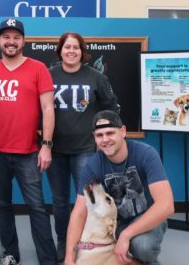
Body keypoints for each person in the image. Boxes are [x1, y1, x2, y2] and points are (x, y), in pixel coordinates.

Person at [0, 18, 57, 265]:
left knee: (36, 207)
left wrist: (46, 145)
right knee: (2, 205)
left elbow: (48, 109)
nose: (11, 41)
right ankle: (10, 253)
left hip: (28, 151)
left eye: (16, 37)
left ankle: (48, 259)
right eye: (6, 37)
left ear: (23, 41)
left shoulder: (38, 68)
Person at [46, 32, 120, 262]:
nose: (71, 51)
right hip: (54, 150)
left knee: (88, 201)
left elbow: (112, 110)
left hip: (86, 151)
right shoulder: (48, 75)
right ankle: (63, 242)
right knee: (59, 201)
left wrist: (103, 139)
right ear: (60, 50)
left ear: (82, 51)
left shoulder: (96, 77)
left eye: (75, 48)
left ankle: (84, 242)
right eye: (67, 47)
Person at [65, 110, 174, 265]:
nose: (105, 140)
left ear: (123, 131)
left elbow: (166, 205)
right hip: (116, 221)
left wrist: (126, 235)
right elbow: (79, 212)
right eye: (99, 135)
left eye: (110, 133)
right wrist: (69, 256)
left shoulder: (146, 154)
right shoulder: (93, 165)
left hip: (146, 216)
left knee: (143, 247)